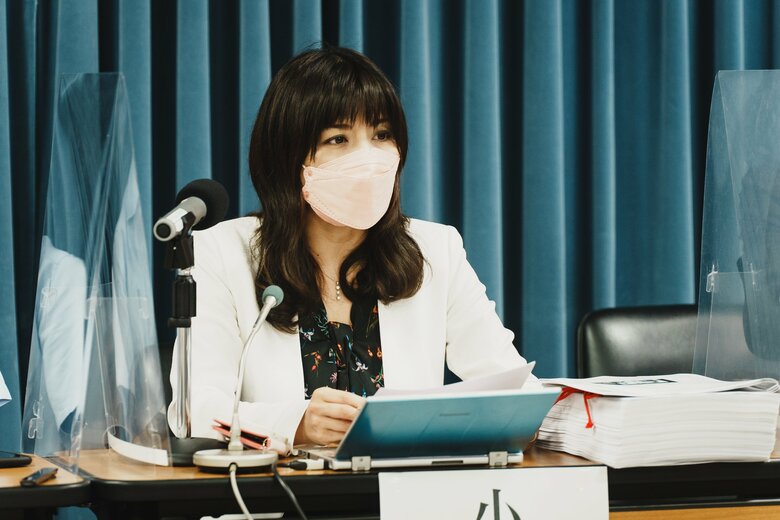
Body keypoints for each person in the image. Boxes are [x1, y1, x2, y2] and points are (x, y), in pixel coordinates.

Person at [168, 46, 535, 453]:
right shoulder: (222, 253)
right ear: (288, 157)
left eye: (381, 135)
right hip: (275, 491)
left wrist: (536, 416)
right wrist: (296, 424)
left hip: (404, 489)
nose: (368, 158)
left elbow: (516, 389)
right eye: (338, 139)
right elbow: (195, 410)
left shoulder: (435, 249)